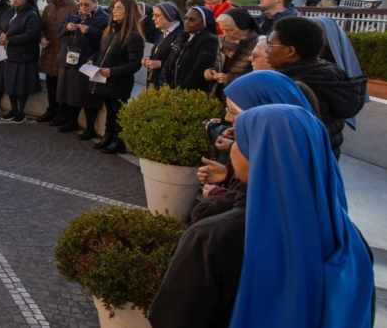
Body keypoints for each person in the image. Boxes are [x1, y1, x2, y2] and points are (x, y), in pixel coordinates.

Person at [150, 104, 375, 328]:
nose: (232, 147)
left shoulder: (212, 238)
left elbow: (172, 318)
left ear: (259, 153)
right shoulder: (349, 238)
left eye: (240, 141)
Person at [193, 71, 317, 224]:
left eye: (232, 112)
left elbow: (244, 210)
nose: (226, 118)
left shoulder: (274, 171)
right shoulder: (306, 159)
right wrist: (230, 173)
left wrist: (216, 196)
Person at [267, 16, 367, 158]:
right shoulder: (324, 74)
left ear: (290, 51)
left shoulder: (300, 87)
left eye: (270, 46)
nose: (266, 51)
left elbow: (290, 138)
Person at [86, 0, 144, 154]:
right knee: (110, 110)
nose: (114, 10)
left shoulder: (133, 36)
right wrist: (93, 59)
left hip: (119, 82)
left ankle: (118, 141)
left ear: (128, 12)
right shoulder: (110, 31)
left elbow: (134, 64)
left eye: (119, 8)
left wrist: (112, 71)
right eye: (114, 8)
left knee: (118, 112)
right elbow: (103, 52)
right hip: (104, 79)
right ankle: (108, 136)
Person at [55, 0, 108, 135]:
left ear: (96, 3)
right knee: (70, 94)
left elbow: (106, 41)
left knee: (88, 96)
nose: (83, 7)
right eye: (81, 4)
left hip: (88, 62)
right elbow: (57, 31)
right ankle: (72, 122)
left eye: (87, 4)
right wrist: (66, 27)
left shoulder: (103, 19)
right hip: (70, 61)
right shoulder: (73, 16)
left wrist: (90, 31)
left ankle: (90, 128)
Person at [0, 0, 42, 123]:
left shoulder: (32, 15)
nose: (15, 0)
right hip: (10, 54)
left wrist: (10, 39)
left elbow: (31, 35)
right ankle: (13, 110)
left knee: (21, 85)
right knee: (11, 84)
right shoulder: (9, 12)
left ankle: (21, 112)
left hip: (24, 56)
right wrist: (1, 34)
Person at [39, 0, 78, 125]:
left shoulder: (74, 7)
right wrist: (41, 38)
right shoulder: (49, 7)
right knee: (51, 84)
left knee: (64, 85)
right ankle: (52, 110)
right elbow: (41, 27)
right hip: (49, 50)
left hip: (64, 52)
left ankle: (63, 114)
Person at [170, 7, 220, 92]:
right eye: (185, 18)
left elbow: (199, 69)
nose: (186, 22)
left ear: (204, 23)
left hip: (191, 92)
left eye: (192, 20)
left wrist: (182, 90)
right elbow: (171, 62)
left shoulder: (209, 40)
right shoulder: (184, 37)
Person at [143, 2, 185, 89]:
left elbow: (182, 63)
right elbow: (159, 52)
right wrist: (149, 59)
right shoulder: (162, 32)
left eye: (157, 15)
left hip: (168, 84)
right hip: (155, 79)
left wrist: (160, 64)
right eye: (153, 15)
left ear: (169, 16)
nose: (153, 18)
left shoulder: (181, 35)